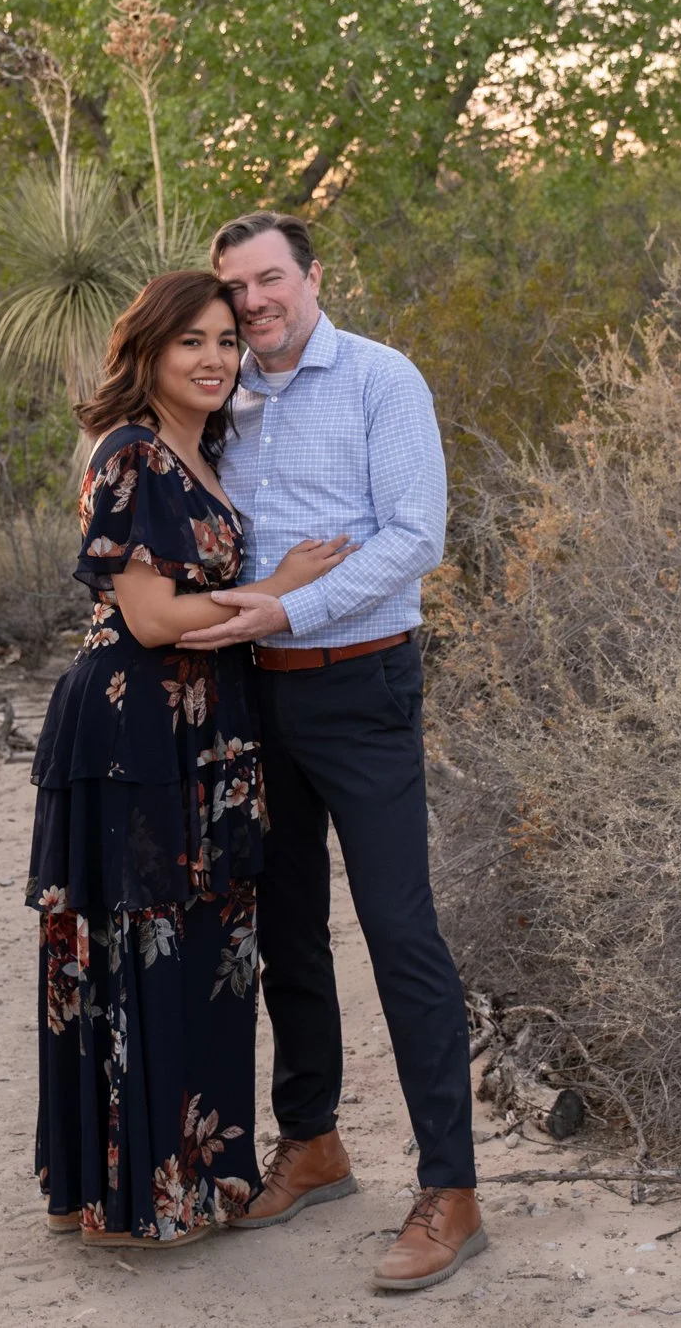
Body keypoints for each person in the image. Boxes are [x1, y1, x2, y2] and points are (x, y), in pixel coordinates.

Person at [179, 212, 484, 1290]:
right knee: (284, 927)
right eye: (236, 290)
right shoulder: (223, 396)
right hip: (250, 699)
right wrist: (252, 617)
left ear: (312, 276)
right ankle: (310, 1142)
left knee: (400, 930)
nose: (253, 304)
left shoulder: (378, 379)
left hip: (359, 685)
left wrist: (278, 611)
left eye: (270, 281)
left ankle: (449, 1187)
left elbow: (413, 536)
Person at [27, 270, 352, 1249]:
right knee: (139, 951)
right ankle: (132, 1197)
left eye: (224, 341)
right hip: (132, 732)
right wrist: (278, 591)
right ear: (148, 352)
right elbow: (150, 615)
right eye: (190, 344)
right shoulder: (126, 453)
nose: (213, 359)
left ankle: (203, 1176)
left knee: (213, 953)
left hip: (208, 726)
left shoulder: (202, 449)